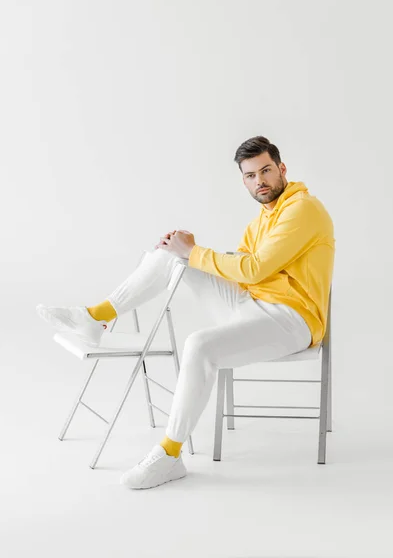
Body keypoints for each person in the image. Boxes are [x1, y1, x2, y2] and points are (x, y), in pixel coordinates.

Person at [36, 135, 335, 490]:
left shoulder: (302, 209)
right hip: (249, 304)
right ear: (244, 181)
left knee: (199, 345)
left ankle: (170, 454)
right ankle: (96, 317)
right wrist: (185, 250)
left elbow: (253, 269)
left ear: (282, 169)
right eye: (251, 176)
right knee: (169, 255)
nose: (260, 181)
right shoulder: (262, 219)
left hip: (290, 320)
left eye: (266, 171)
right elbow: (241, 264)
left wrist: (195, 252)